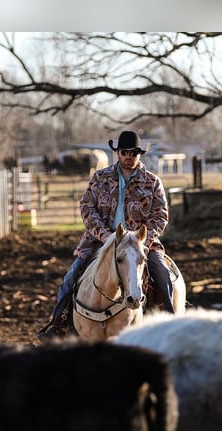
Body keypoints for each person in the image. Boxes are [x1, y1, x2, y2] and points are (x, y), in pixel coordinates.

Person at [38, 130, 175, 340]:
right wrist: (104, 235)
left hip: (140, 244)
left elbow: (161, 215)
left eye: (134, 153)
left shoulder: (152, 182)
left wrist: (142, 240)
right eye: (124, 152)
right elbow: (86, 207)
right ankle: (58, 324)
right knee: (71, 277)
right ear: (118, 153)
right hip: (98, 241)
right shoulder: (100, 177)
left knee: (162, 274)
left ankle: (170, 323)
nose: (129, 156)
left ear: (140, 155)